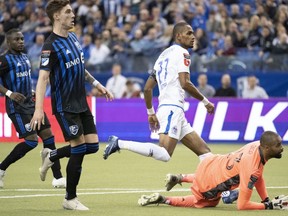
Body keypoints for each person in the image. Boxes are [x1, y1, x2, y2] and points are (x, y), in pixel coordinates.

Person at [30, 0, 113, 211]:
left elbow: (80, 68)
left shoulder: (74, 38)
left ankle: (53, 155)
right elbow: (42, 79)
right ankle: (70, 199)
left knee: (92, 146)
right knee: (79, 148)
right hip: (64, 105)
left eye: (72, 11)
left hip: (81, 102)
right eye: (68, 11)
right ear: (56, 16)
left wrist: (97, 84)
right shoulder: (50, 46)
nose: (73, 14)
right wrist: (39, 109)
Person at [103, 21, 214, 164]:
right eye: (189, 33)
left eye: (193, 33)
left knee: (206, 154)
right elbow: (185, 83)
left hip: (170, 109)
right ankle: (119, 143)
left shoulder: (162, 56)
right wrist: (206, 102)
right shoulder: (183, 53)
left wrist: (151, 112)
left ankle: (216, 186)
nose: (193, 37)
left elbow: (147, 88)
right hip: (172, 108)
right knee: (165, 154)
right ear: (178, 36)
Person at [138, 131, 285, 211]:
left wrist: (265, 198)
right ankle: (164, 199)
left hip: (211, 163)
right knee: (205, 202)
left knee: (216, 178)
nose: (282, 147)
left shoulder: (256, 146)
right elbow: (242, 205)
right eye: (278, 145)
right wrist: (268, 205)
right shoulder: (252, 167)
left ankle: (180, 177)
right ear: (266, 148)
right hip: (207, 184)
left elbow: (258, 175)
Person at [0, 28, 65, 188]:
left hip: (32, 104)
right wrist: (9, 93)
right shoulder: (4, 60)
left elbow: (25, 79)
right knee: (31, 142)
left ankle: (58, 178)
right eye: (17, 39)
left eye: (22, 39)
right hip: (17, 107)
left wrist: (31, 91)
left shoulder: (25, 57)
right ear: (9, 42)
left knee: (49, 137)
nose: (21, 41)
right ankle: (1, 168)